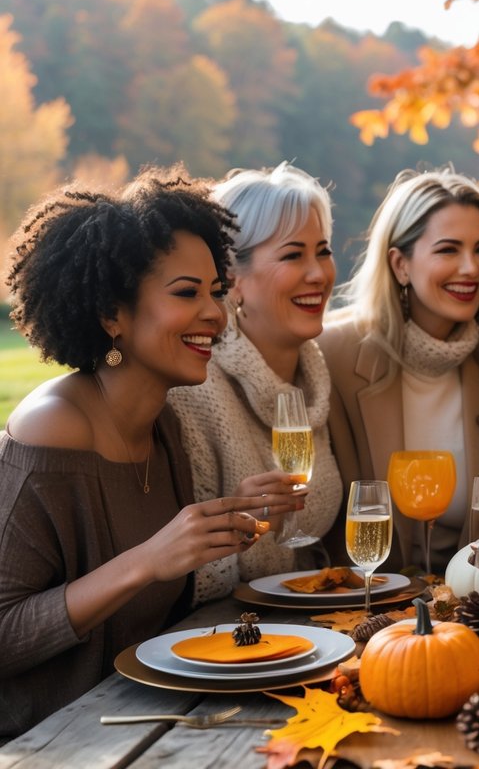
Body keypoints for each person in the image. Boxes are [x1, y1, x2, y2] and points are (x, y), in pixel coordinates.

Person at [0, 168, 297, 736]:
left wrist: (229, 515)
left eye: (216, 291)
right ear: (112, 314)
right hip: (48, 742)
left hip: (144, 723)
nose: (215, 313)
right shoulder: (50, 430)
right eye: (186, 292)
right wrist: (147, 561)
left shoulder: (162, 421)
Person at [321, 169, 479, 572]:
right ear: (400, 264)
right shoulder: (333, 355)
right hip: (365, 605)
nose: (471, 268)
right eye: (448, 250)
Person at [169, 164, 343, 604]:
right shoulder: (194, 391)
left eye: (322, 251)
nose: (319, 274)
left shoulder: (313, 379)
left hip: (305, 617)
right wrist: (238, 521)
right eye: (292, 255)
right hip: (215, 636)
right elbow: (179, 578)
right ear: (233, 281)